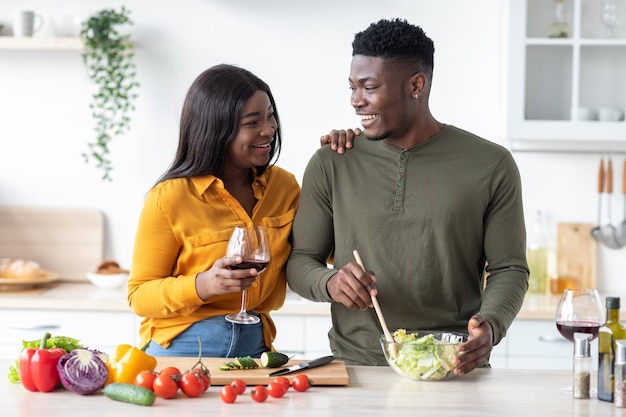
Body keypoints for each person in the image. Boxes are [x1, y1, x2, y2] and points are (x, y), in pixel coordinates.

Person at [286, 18, 529, 375]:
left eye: (368, 87)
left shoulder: (491, 164)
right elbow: (300, 262)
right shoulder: (333, 161)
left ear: (416, 85)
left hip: (455, 366)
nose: (356, 101)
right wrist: (330, 281)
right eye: (352, 87)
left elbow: (509, 268)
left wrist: (490, 326)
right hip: (357, 368)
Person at [127, 64, 301, 357]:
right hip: (181, 349)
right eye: (252, 122)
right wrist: (204, 284)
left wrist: (345, 159)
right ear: (217, 130)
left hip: (255, 349)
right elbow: (139, 296)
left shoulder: (284, 187)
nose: (269, 129)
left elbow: (328, 248)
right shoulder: (169, 198)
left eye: (270, 116)